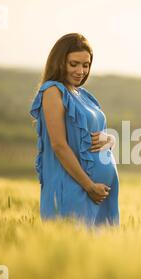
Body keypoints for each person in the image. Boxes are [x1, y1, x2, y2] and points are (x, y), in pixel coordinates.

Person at [30, 33, 119, 227]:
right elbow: (59, 145)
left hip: (98, 194)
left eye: (86, 65)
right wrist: (89, 186)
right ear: (59, 62)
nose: (81, 71)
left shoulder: (83, 95)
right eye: (74, 64)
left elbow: (94, 132)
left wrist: (110, 140)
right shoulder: (53, 91)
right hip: (75, 190)